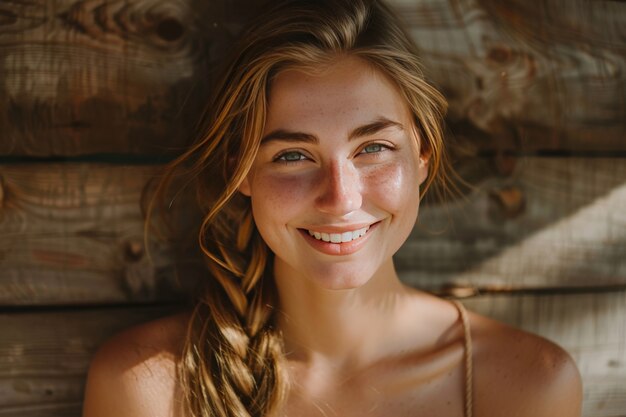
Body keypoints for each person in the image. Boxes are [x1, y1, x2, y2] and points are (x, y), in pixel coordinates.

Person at [82, 0, 582, 416]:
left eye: (373, 148)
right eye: (293, 155)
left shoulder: (528, 386)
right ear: (241, 172)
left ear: (424, 151)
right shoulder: (148, 388)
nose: (341, 197)